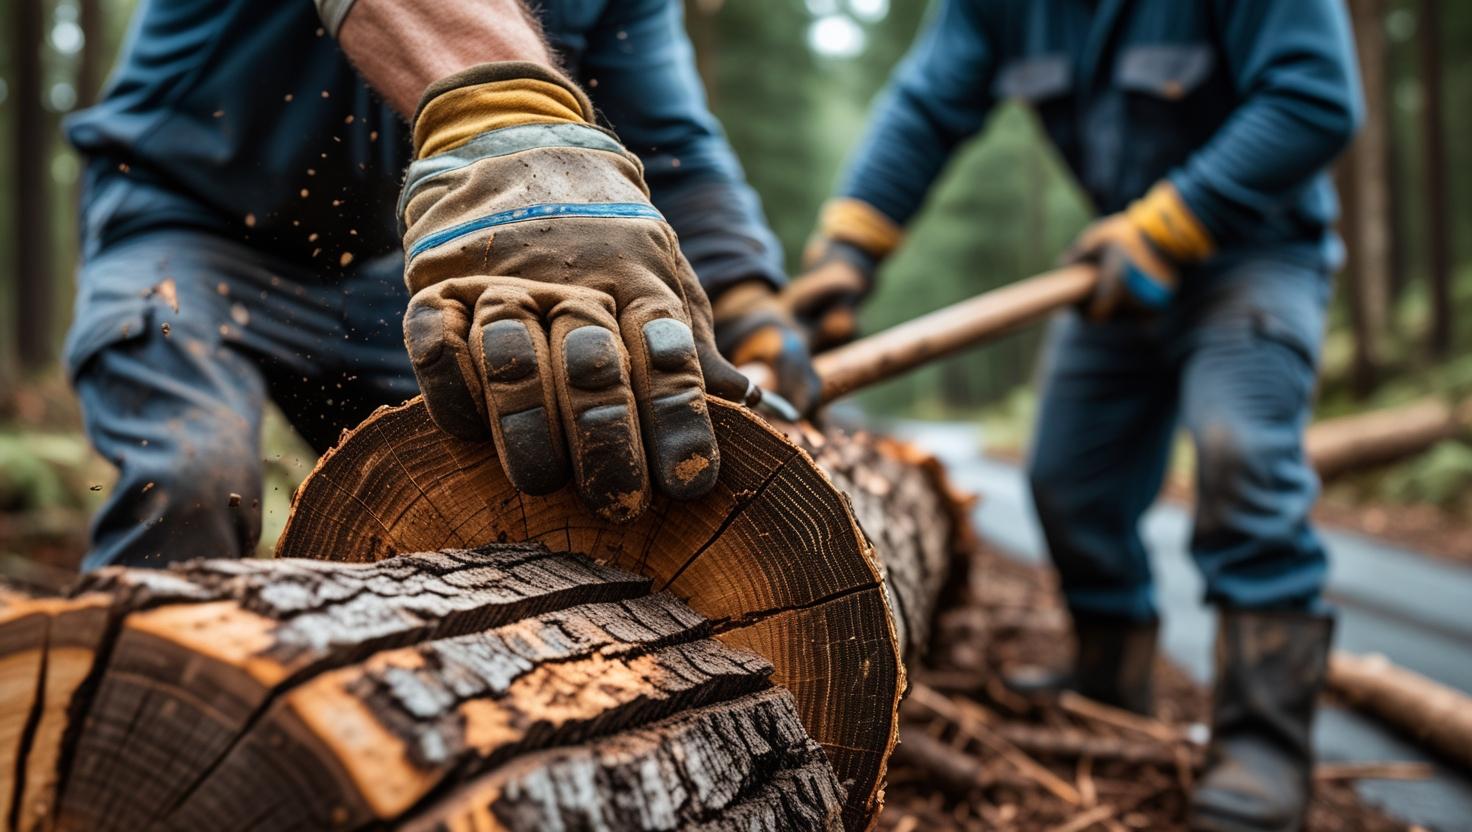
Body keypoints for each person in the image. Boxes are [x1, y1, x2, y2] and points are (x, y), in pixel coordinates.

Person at [789, 2, 1362, 829]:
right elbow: (925, 107)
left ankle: (1264, 744)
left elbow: (1316, 99)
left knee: (1242, 460)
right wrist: (848, 251)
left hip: (1256, 254)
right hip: (1119, 267)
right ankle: (1111, 677)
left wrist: (1172, 222)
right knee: (1066, 480)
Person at [64, 0, 819, 572]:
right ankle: (124, 741)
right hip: (183, 226)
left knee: (536, 474)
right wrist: (508, 116)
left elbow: (671, 145)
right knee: (189, 478)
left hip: (381, 276)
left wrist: (749, 303)